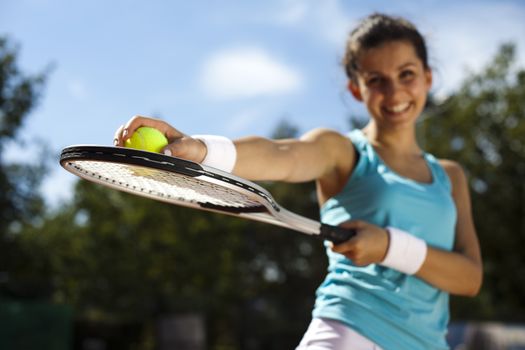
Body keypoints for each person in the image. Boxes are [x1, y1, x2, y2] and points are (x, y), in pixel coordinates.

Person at [114, 13, 482, 350]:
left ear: (427, 77)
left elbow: (469, 278)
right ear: (356, 88)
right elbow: (282, 155)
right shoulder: (342, 152)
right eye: (376, 80)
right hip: (351, 332)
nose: (395, 92)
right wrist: (199, 148)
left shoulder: (450, 177)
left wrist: (388, 245)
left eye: (407, 74)